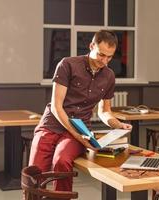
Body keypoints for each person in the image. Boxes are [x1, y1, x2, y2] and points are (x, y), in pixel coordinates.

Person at [28, 30, 132, 192]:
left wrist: (117, 124)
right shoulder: (67, 64)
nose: (104, 61)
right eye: (101, 55)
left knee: (61, 161)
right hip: (51, 124)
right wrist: (77, 135)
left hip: (79, 129)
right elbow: (56, 106)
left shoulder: (109, 76)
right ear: (91, 46)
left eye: (109, 57)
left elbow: (104, 111)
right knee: (34, 172)